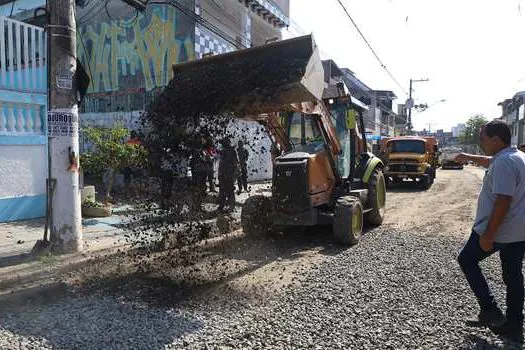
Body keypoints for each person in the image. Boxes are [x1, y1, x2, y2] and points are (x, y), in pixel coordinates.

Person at [455, 120, 525, 344]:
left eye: (483, 139)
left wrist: (488, 235)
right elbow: (490, 161)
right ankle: (514, 326)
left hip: (499, 230)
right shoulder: (516, 156)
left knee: (467, 260)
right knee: (513, 277)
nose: (480, 143)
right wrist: (469, 157)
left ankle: (490, 309)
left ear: (496, 140)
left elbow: (503, 200)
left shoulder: (504, 162)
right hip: (520, 231)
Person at [218, 138, 238, 212]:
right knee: (222, 191)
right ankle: (221, 206)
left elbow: (235, 163)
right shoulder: (223, 151)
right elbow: (221, 163)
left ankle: (231, 206)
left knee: (230, 191)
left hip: (229, 174)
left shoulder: (232, 151)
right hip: (222, 174)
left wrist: (234, 174)